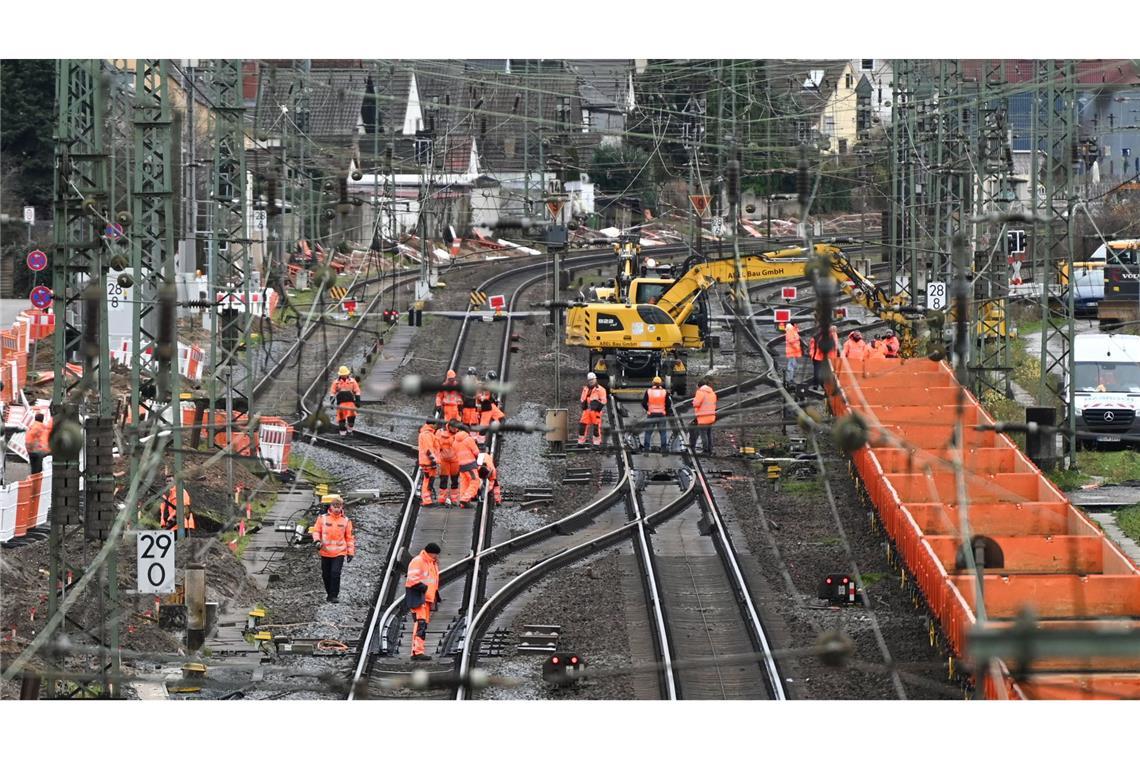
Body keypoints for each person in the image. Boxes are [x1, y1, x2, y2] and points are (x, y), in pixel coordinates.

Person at [309, 494, 355, 603]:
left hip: (339, 552)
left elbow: (350, 537)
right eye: (335, 506)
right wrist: (317, 541)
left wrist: (350, 552)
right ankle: (329, 594)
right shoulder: (322, 518)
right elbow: (316, 531)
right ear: (331, 506)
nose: (337, 508)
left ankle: (334, 595)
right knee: (326, 575)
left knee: (335, 573)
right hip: (325, 551)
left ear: (342, 507)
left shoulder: (346, 521)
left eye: (339, 506)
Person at [405, 542, 442, 661]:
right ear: (430, 553)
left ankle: (418, 651)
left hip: (427, 598)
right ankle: (417, 652)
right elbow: (412, 579)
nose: (436, 557)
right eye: (435, 555)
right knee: (420, 624)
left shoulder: (432, 562)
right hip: (419, 597)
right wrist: (425, 589)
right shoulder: (419, 561)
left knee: (422, 624)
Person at [452, 420, 482, 508]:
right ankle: (465, 499)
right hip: (470, 465)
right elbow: (476, 452)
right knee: (475, 482)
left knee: (464, 483)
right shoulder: (469, 439)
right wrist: (479, 463)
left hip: (461, 466)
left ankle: (463, 502)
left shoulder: (455, 442)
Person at [641, 376, 672, 452]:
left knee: (648, 432)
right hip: (661, 414)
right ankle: (664, 449)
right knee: (663, 433)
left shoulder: (649, 391)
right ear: (661, 383)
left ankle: (646, 449)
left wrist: (648, 409)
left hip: (651, 414)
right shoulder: (664, 392)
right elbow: (669, 403)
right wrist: (665, 410)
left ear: (653, 383)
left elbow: (644, 403)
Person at [329, 366, 361, 436]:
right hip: (341, 404)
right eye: (342, 374)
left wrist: (358, 400)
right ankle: (342, 434)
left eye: (345, 374)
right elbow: (332, 392)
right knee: (341, 419)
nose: (344, 375)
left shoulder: (352, 381)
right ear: (340, 374)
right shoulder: (336, 383)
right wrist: (331, 402)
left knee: (351, 418)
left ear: (347, 374)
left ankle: (350, 431)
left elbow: (357, 391)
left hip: (350, 403)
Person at [578, 372, 608, 447]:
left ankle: (596, 443)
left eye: (592, 379)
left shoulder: (600, 389)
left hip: (595, 411)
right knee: (582, 426)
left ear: (595, 379)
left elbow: (604, 400)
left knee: (596, 428)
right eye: (590, 380)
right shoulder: (585, 389)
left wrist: (598, 408)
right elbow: (582, 398)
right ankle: (581, 442)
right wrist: (583, 405)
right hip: (587, 410)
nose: (591, 381)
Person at [434, 421, 460, 506]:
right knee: (443, 479)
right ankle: (442, 499)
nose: (455, 429)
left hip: (455, 461)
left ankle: (454, 499)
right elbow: (436, 446)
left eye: (457, 428)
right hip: (444, 460)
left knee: (455, 480)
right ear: (450, 427)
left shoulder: (459, 434)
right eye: (454, 428)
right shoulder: (440, 433)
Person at [690, 378, 717, 454]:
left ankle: (705, 450)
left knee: (703, 434)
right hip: (711, 416)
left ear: (699, 386)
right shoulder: (712, 393)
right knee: (709, 433)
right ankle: (710, 449)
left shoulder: (700, 392)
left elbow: (696, 404)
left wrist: (694, 400)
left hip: (703, 417)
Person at [417, 421, 440, 506]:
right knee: (427, 480)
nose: (436, 426)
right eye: (435, 424)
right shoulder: (427, 435)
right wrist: (433, 461)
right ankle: (426, 500)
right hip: (428, 462)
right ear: (432, 425)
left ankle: (428, 499)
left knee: (430, 480)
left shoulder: (428, 434)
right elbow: (428, 450)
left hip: (428, 462)